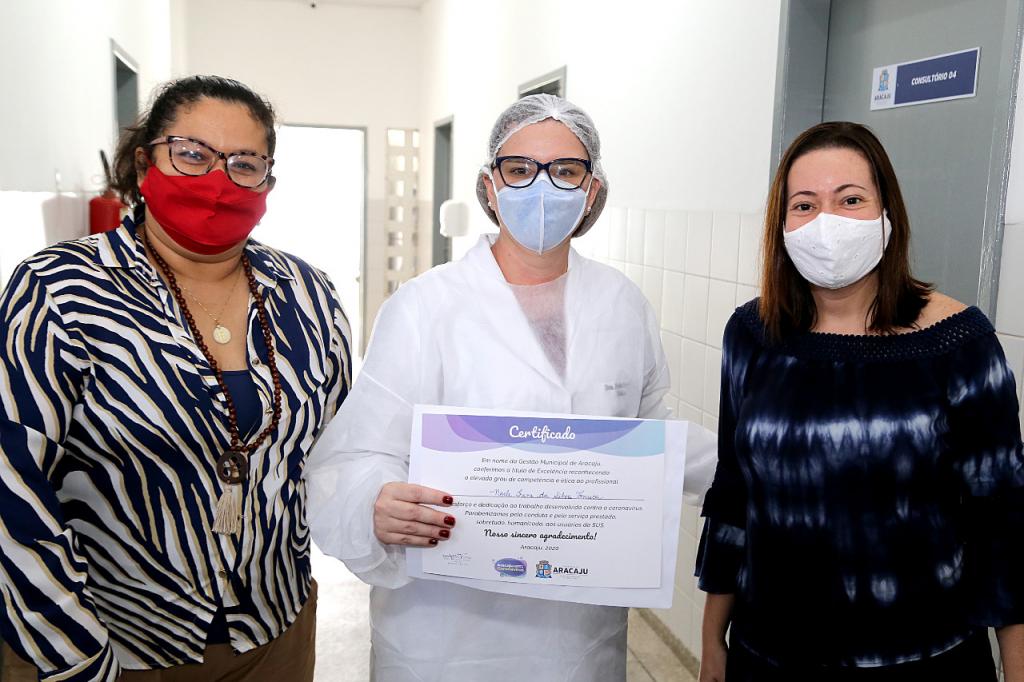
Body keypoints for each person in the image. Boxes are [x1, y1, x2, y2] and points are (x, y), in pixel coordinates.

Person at [304, 94, 717, 681]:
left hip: (579, 637)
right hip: (443, 637)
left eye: (566, 170)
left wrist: (754, 467)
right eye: (519, 169)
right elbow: (355, 455)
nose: (541, 186)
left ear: (592, 191)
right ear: (490, 186)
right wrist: (375, 500)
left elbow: (650, 436)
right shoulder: (424, 306)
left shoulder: (622, 304)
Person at [0, 75, 351, 681]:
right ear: (144, 164)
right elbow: (12, 487)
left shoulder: (308, 294)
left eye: (244, 164)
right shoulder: (58, 290)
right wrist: (76, 656)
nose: (217, 181)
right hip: (110, 642)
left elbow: (339, 450)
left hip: (275, 629)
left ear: (267, 182)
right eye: (191, 154)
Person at [696, 121, 1024, 682]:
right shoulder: (752, 335)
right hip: (769, 655)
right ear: (781, 226)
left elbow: (1002, 524)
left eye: (850, 200)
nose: (827, 223)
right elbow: (733, 495)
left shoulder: (958, 342)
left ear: (887, 213)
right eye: (804, 205)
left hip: (927, 658)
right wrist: (712, 644)